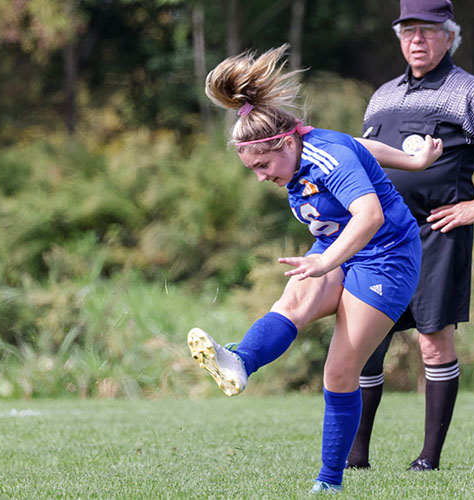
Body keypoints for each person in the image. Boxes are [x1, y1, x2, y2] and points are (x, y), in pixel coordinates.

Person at [187, 44, 442, 493]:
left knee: (339, 371)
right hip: (338, 248)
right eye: (253, 169)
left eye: (264, 165)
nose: (262, 177)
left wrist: (326, 260)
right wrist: (412, 159)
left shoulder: (327, 157)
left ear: (287, 143)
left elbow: (370, 216)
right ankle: (240, 362)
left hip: (387, 258)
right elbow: (362, 145)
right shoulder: (308, 149)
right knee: (292, 303)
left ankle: (329, 482)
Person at [347, 0, 474, 472]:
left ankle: (428, 458)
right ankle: (357, 455)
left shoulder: (466, 91)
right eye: (408, 31)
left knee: (434, 342)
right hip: (381, 241)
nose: (417, 40)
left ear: (449, 37)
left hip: (437, 235)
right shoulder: (383, 95)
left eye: (428, 32)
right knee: (366, 344)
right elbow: (362, 162)